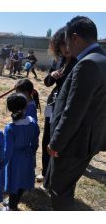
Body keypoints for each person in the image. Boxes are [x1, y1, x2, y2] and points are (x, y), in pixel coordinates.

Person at [44, 16, 106, 211]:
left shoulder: (86, 64)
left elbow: (73, 111)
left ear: (76, 38)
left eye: (68, 40)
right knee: (66, 185)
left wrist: (56, 143)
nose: (67, 47)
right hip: (89, 138)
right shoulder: (101, 59)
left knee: (59, 190)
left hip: (73, 143)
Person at [38, 27, 78, 183]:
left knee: (59, 141)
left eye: (68, 44)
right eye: (62, 45)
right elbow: (47, 83)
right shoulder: (58, 60)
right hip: (53, 103)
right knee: (46, 137)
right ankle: (44, 171)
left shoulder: (80, 62)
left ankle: (54, 175)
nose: (66, 48)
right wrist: (51, 76)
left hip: (67, 107)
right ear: (57, 46)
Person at [1, 93, 40, 211]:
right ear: (25, 107)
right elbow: (35, 142)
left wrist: (2, 163)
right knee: (23, 180)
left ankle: (12, 207)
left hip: (14, 159)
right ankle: (15, 201)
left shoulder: (10, 128)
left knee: (14, 183)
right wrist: (31, 152)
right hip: (27, 156)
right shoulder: (33, 122)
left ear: (9, 109)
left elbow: (7, 150)